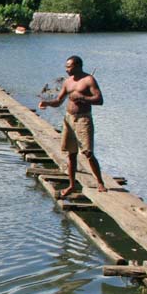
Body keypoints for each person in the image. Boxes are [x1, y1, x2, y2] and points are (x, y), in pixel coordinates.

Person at [37, 55, 107, 197]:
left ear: (77, 66)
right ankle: (72, 185)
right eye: (66, 66)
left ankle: (100, 182)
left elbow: (99, 100)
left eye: (69, 66)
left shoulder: (88, 80)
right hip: (69, 120)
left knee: (88, 153)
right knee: (71, 154)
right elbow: (58, 101)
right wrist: (47, 103)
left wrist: (82, 97)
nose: (66, 69)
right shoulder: (68, 82)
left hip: (83, 119)